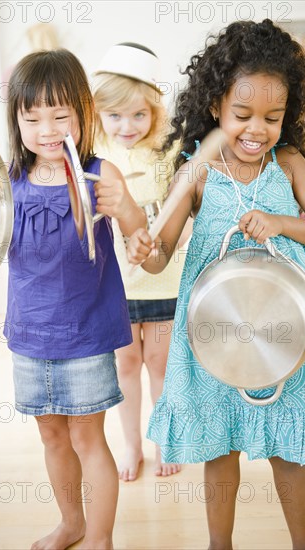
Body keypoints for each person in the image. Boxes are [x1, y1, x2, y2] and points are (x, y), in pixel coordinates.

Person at [127, 20, 305, 549]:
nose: (257, 129)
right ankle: (219, 544)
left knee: (288, 452)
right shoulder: (198, 173)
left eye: (272, 118)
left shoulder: (289, 163)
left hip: (284, 335)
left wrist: (281, 222)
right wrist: (148, 250)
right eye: (242, 115)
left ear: (288, 115)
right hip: (216, 337)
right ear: (214, 107)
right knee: (219, 447)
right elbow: (161, 254)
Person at [5, 49, 146, 550]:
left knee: (88, 439)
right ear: (16, 120)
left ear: (83, 115)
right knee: (52, 436)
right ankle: (72, 523)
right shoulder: (8, 182)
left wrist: (128, 214)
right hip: (29, 335)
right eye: (33, 117)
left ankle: (100, 538)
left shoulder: (98, 174)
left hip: (85, 333)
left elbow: (138, 235)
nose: (47, 129)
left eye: (60, 116)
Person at [92, 43, 188, 481]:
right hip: (117, 287)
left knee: (161, 365)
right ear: (100, 114)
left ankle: (163, 438)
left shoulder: (169, 155)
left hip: (166, 282)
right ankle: (131, 445)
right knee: (126, 365)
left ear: (154, 111)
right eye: (115, 116)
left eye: (138, 115)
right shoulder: (97, 159)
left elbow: (181, 214)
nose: (126, 126)